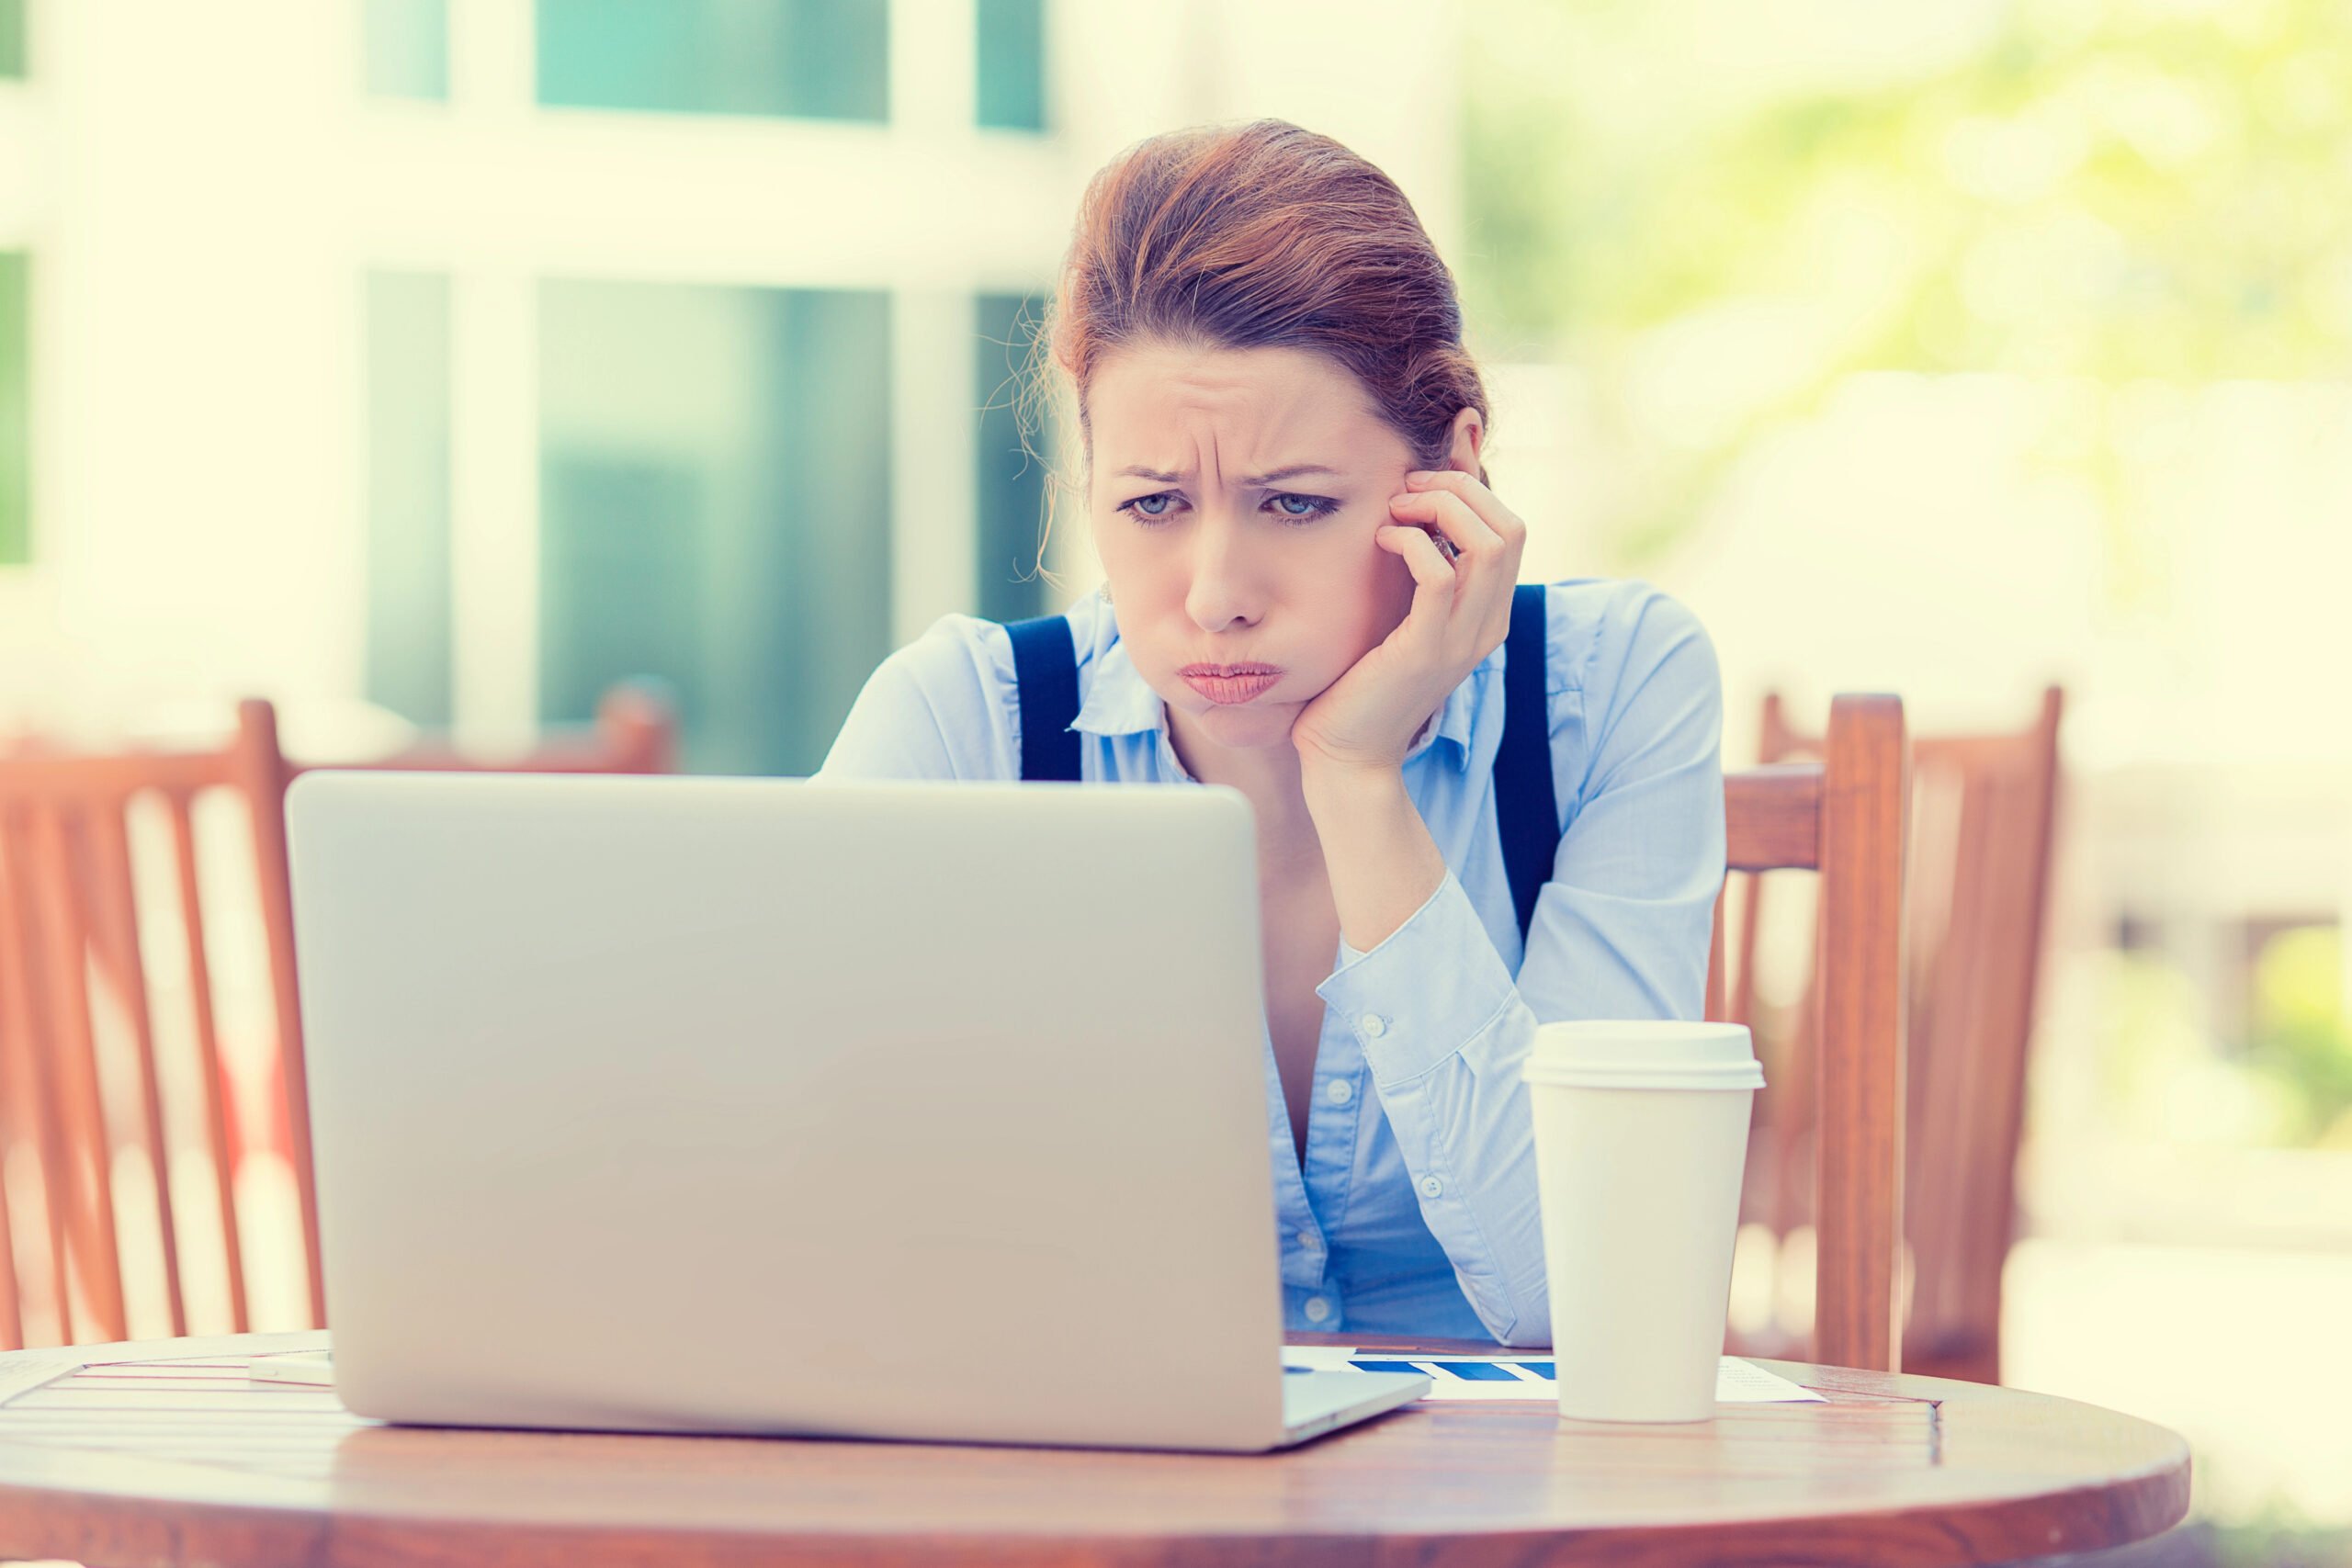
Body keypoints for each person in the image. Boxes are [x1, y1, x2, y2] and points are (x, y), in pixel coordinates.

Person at [812, 119, 1724, 1348]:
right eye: (1152, 504)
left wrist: (1356, 777)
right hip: (1099, 1485)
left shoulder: (1613, 690)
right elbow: (803, 1227)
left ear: (1451, 475)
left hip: (1497, 1508)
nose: (1215, 590)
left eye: (1292, 502)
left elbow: (1589, 1291)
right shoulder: (963, 724)